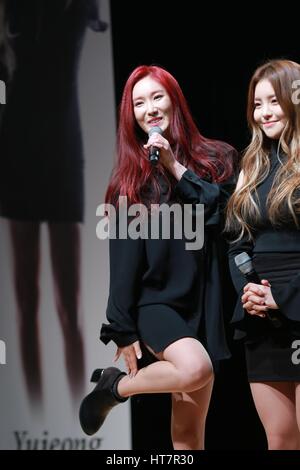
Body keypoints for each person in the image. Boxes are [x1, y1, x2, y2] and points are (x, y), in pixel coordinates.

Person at [79, 64, 237, 450]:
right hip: (156, 304)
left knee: (187, 432)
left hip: (202, 301)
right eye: (138, 102)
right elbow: (124, 260)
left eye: (156, 97)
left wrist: (173, 166)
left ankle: (114, 386)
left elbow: (219, 214)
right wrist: (122, 326)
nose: (148, 108)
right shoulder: (129, 180)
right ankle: (116, 386)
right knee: (194, 367)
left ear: (174, 101)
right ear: (130, 116)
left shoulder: (218, 160)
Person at [0, 0, 106, 411]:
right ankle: (37, 413)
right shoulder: (10, 11)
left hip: (63, 149)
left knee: (70, 303)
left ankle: (77, 415)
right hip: (15, 155)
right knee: (26, 299)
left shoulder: (77, 7)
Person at [226, 59, 300, 450]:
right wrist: (251, 289)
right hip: (261, 319)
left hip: (297, 303)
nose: (265, 112)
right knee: (280, 439)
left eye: (274, 101)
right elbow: (237, 242)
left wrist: (282, 296)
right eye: (257, 104)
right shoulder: (250, 165)